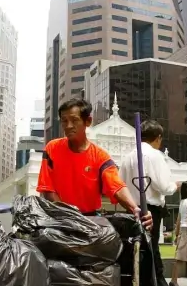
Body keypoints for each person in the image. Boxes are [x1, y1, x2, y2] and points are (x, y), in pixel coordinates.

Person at [36, 98, 152, 229]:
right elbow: (48, 189)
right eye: (64, 121)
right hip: (59, 220)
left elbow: (116, 186)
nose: (68, 126)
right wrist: (68, 216)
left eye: (74, 120)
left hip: (89, 222)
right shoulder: (52, 149)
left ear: (88, 121)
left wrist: (135, 208)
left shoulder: (100, 157)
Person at [119, 119, 181, 286]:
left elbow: (121, 184)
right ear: (158, 138)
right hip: (149, 211)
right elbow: (163, 185)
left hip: (132, 210)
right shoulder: (154, 155)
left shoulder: (128, 157)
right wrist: (174, 186)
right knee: (151, 260)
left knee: (140, 257)